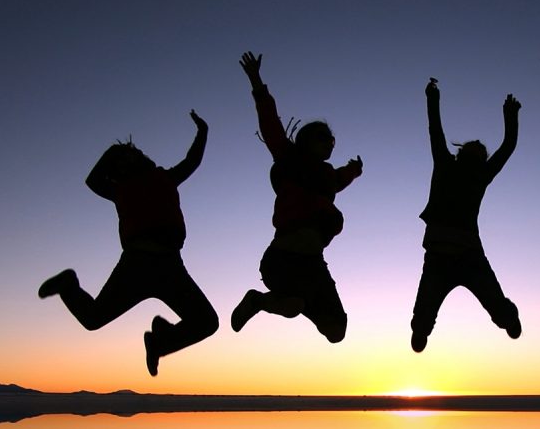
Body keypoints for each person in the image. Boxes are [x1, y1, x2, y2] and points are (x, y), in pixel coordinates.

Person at [38, 110, 218, 377]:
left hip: (170, 266)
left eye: (133, 155)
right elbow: (92, 181)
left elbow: (192, 161)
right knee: (92, 319)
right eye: (122, 161)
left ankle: (160, 342)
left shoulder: (165, 177)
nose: (132, 159)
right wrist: (112, 154)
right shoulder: (119, 188)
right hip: (136, 265)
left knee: (206, 323)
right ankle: (68, 285)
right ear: (117, 169)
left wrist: (202, 132)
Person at [230, 52, 363, 343]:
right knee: (291, 306)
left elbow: (341, 178)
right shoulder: (290, 159)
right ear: (306, 140)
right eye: (324, 138)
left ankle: (293, 303)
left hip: (314, 265)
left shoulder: (328, 176)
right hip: (283, 260)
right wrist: (256, 81)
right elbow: (270, 125)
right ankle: (259, 301)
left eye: (332, 141)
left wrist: (355, 170)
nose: (330, 144)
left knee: (336, 330)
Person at [410, 78, 522, 352]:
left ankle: (508, 317)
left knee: (496, 305)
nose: (477, 152)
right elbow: (435, 131)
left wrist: (511, 117)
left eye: (480, 152)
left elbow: (507, 147)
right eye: (473, 150)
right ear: (461, 154)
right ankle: (421, 330)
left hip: (470, 257)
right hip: (438, 257)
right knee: (424, 313)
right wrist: (432, 99)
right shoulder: (446, 164)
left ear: (481, 159)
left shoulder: (481, 175)